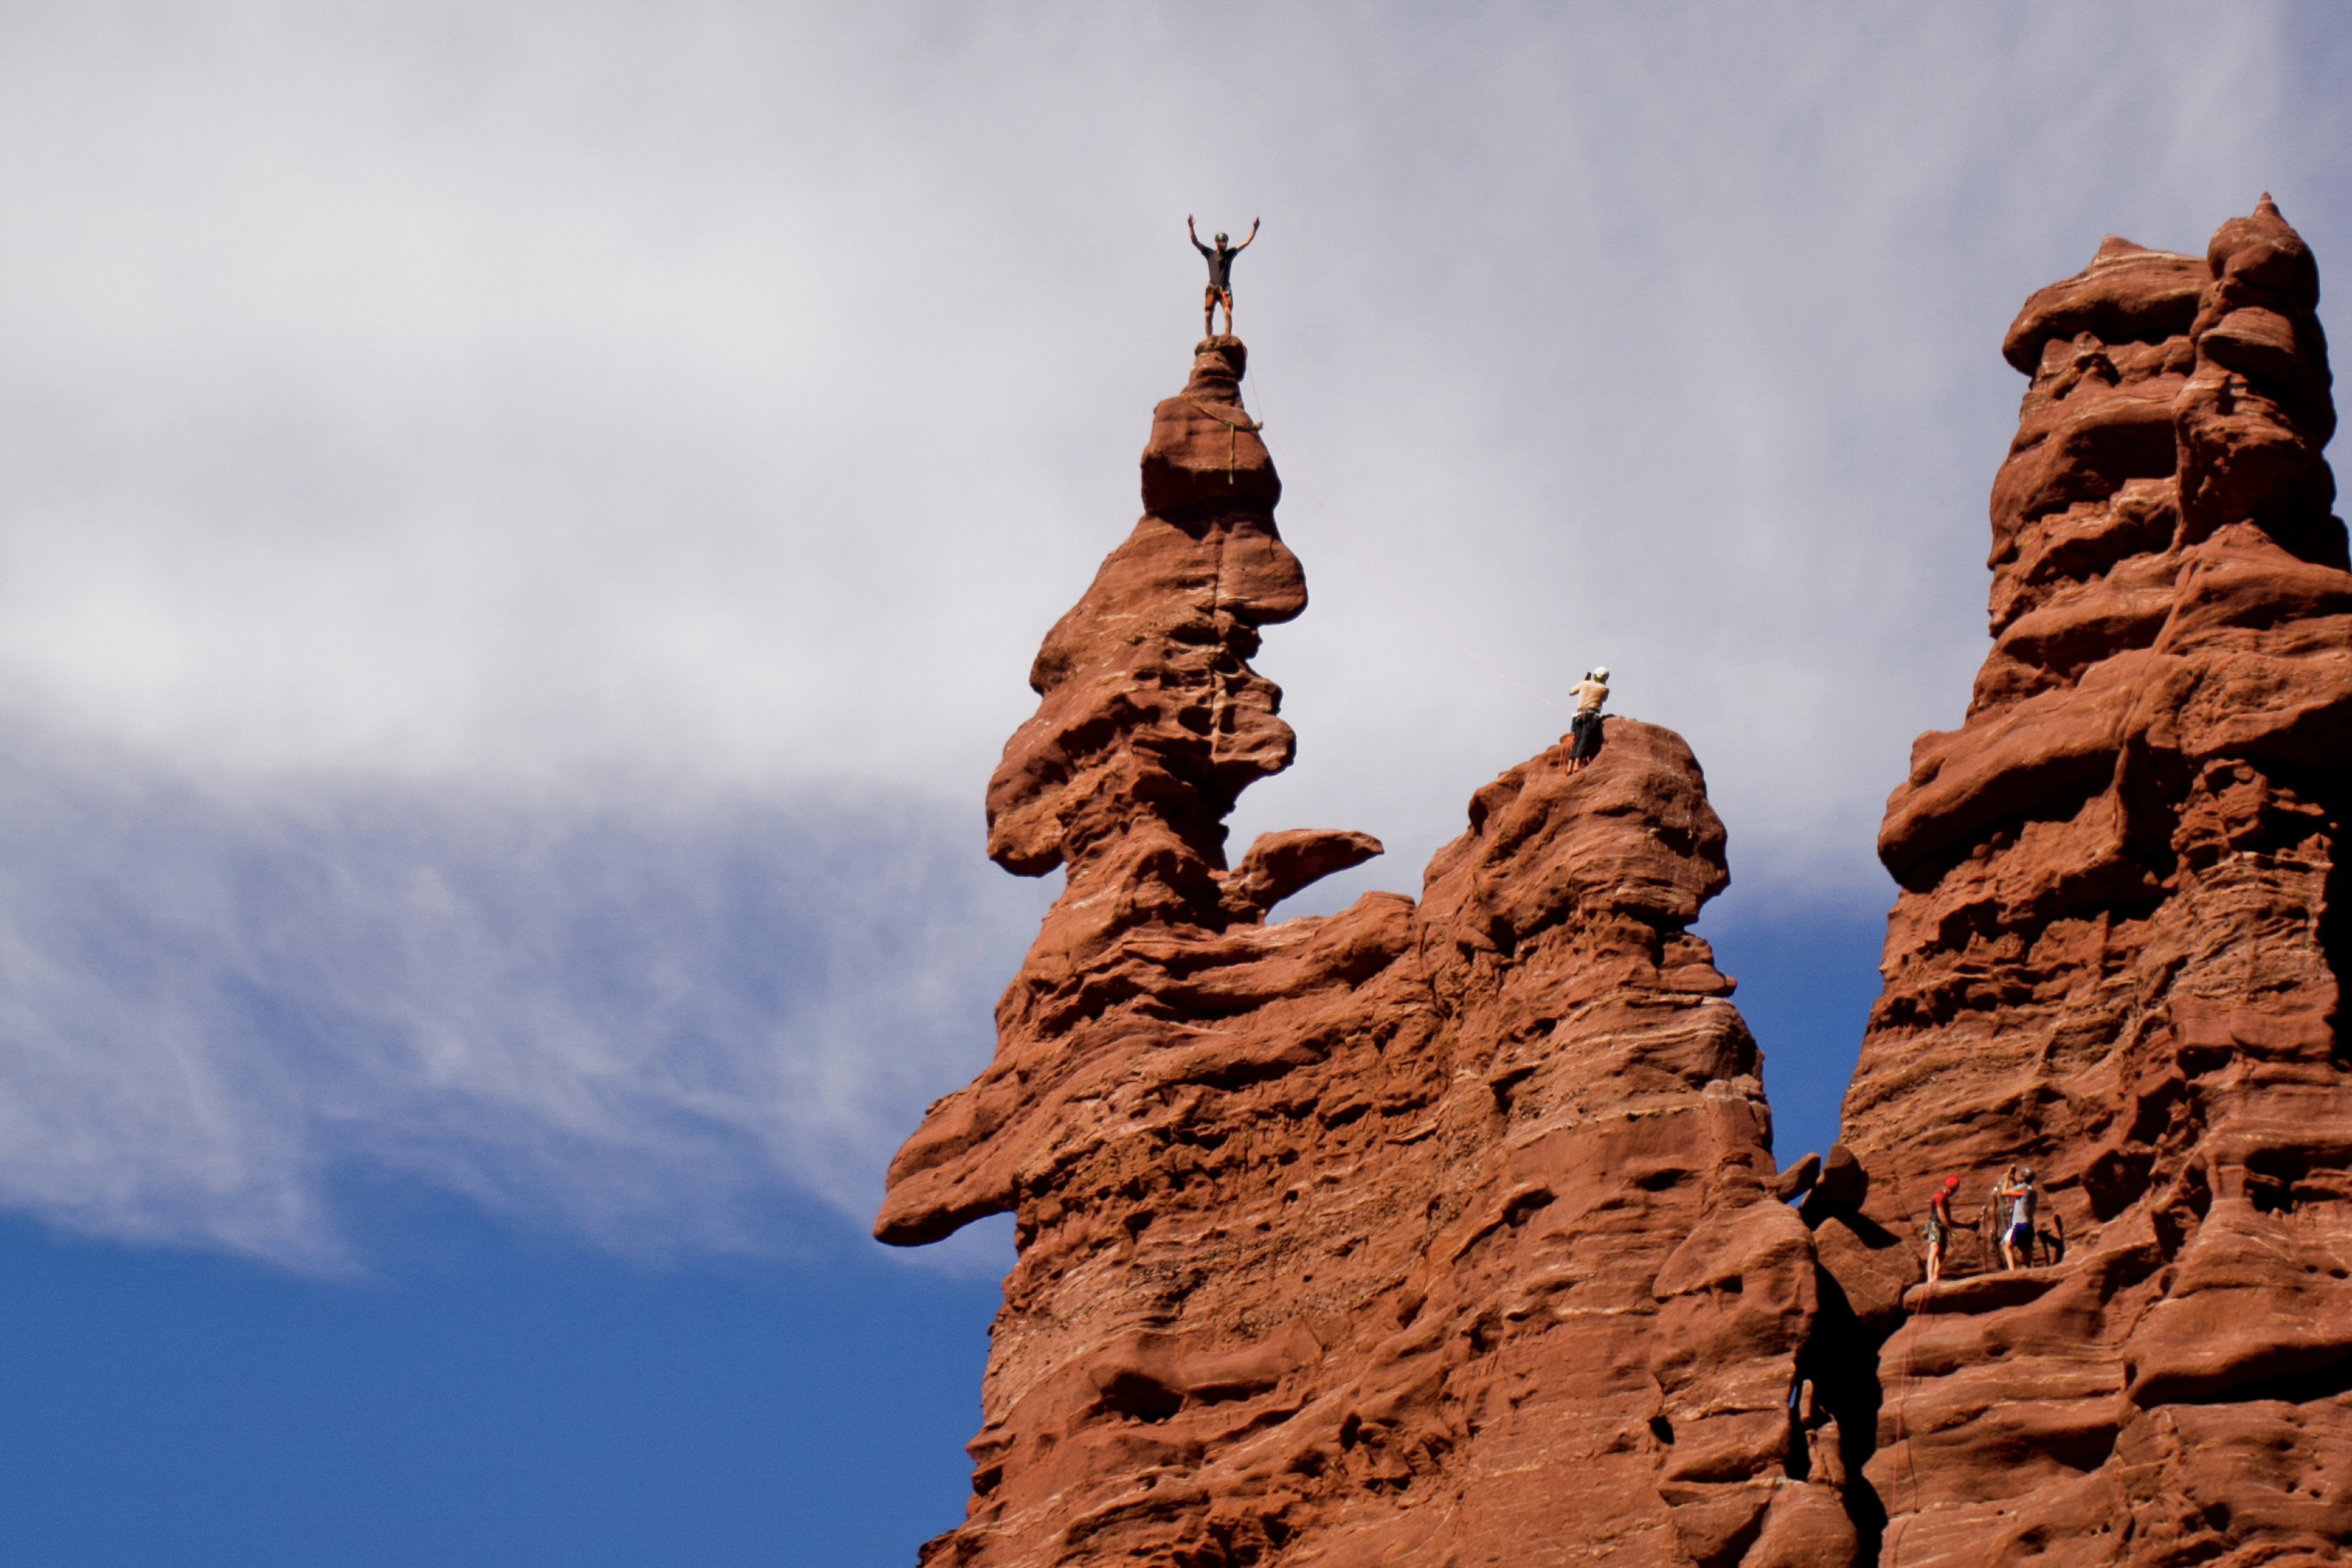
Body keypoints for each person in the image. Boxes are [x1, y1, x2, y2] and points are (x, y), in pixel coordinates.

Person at [1189, 216, 1259, 337]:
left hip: (1225, 289)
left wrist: (1255, 229)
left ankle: (1227, 337)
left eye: (1226, 242)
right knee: (1208, 315)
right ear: (1217, 243)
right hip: (1212, 288)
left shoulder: (1230, 254)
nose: (1225, 244)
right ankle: (1209, 339)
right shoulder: (1210, 254)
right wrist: (1191, 227)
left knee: (1228, 312)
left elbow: (1245, 243)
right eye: (1222, 242)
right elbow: (1195, 242)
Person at [1566, 666, 1611, 772]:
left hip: (1579, 715)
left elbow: (1571, 692)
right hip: (1592, 715)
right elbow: (1604, 699)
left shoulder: (1585, 684)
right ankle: (1577, 765)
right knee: (1585, 739)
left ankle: (1570, 766)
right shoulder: (1605, 689)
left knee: (1577, 739)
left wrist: (1584, 681)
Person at [1997, 1165, 2039, 1270]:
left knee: (2006, 1246)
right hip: (2028, 1225)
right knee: (2026, 1250)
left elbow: (2004, 1192)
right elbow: (2019, 1194)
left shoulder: (2022, 1188)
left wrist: (2008, 1177)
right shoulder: (2033, 1191)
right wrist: (2013, 1180)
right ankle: (2030, 1271)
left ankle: (2012, 1271)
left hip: (2019, 1224)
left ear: (2024, 1177)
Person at [1923, 1173, 1961, 1285]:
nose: (1952, 1193)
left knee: (1941, 1254)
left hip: (1942, 1228)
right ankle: (1930, 1278)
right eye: (1952, 1190)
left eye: (1954, 1191)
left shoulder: (1945, 1201)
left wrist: (1967, 1225)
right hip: (1935, 1224)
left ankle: (1936, 1277)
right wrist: (1951, 1231)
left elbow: (1948, 1220)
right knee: (1935, 1248)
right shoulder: (1940, 1197)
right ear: (1947, 1187)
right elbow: (1942, 1216)